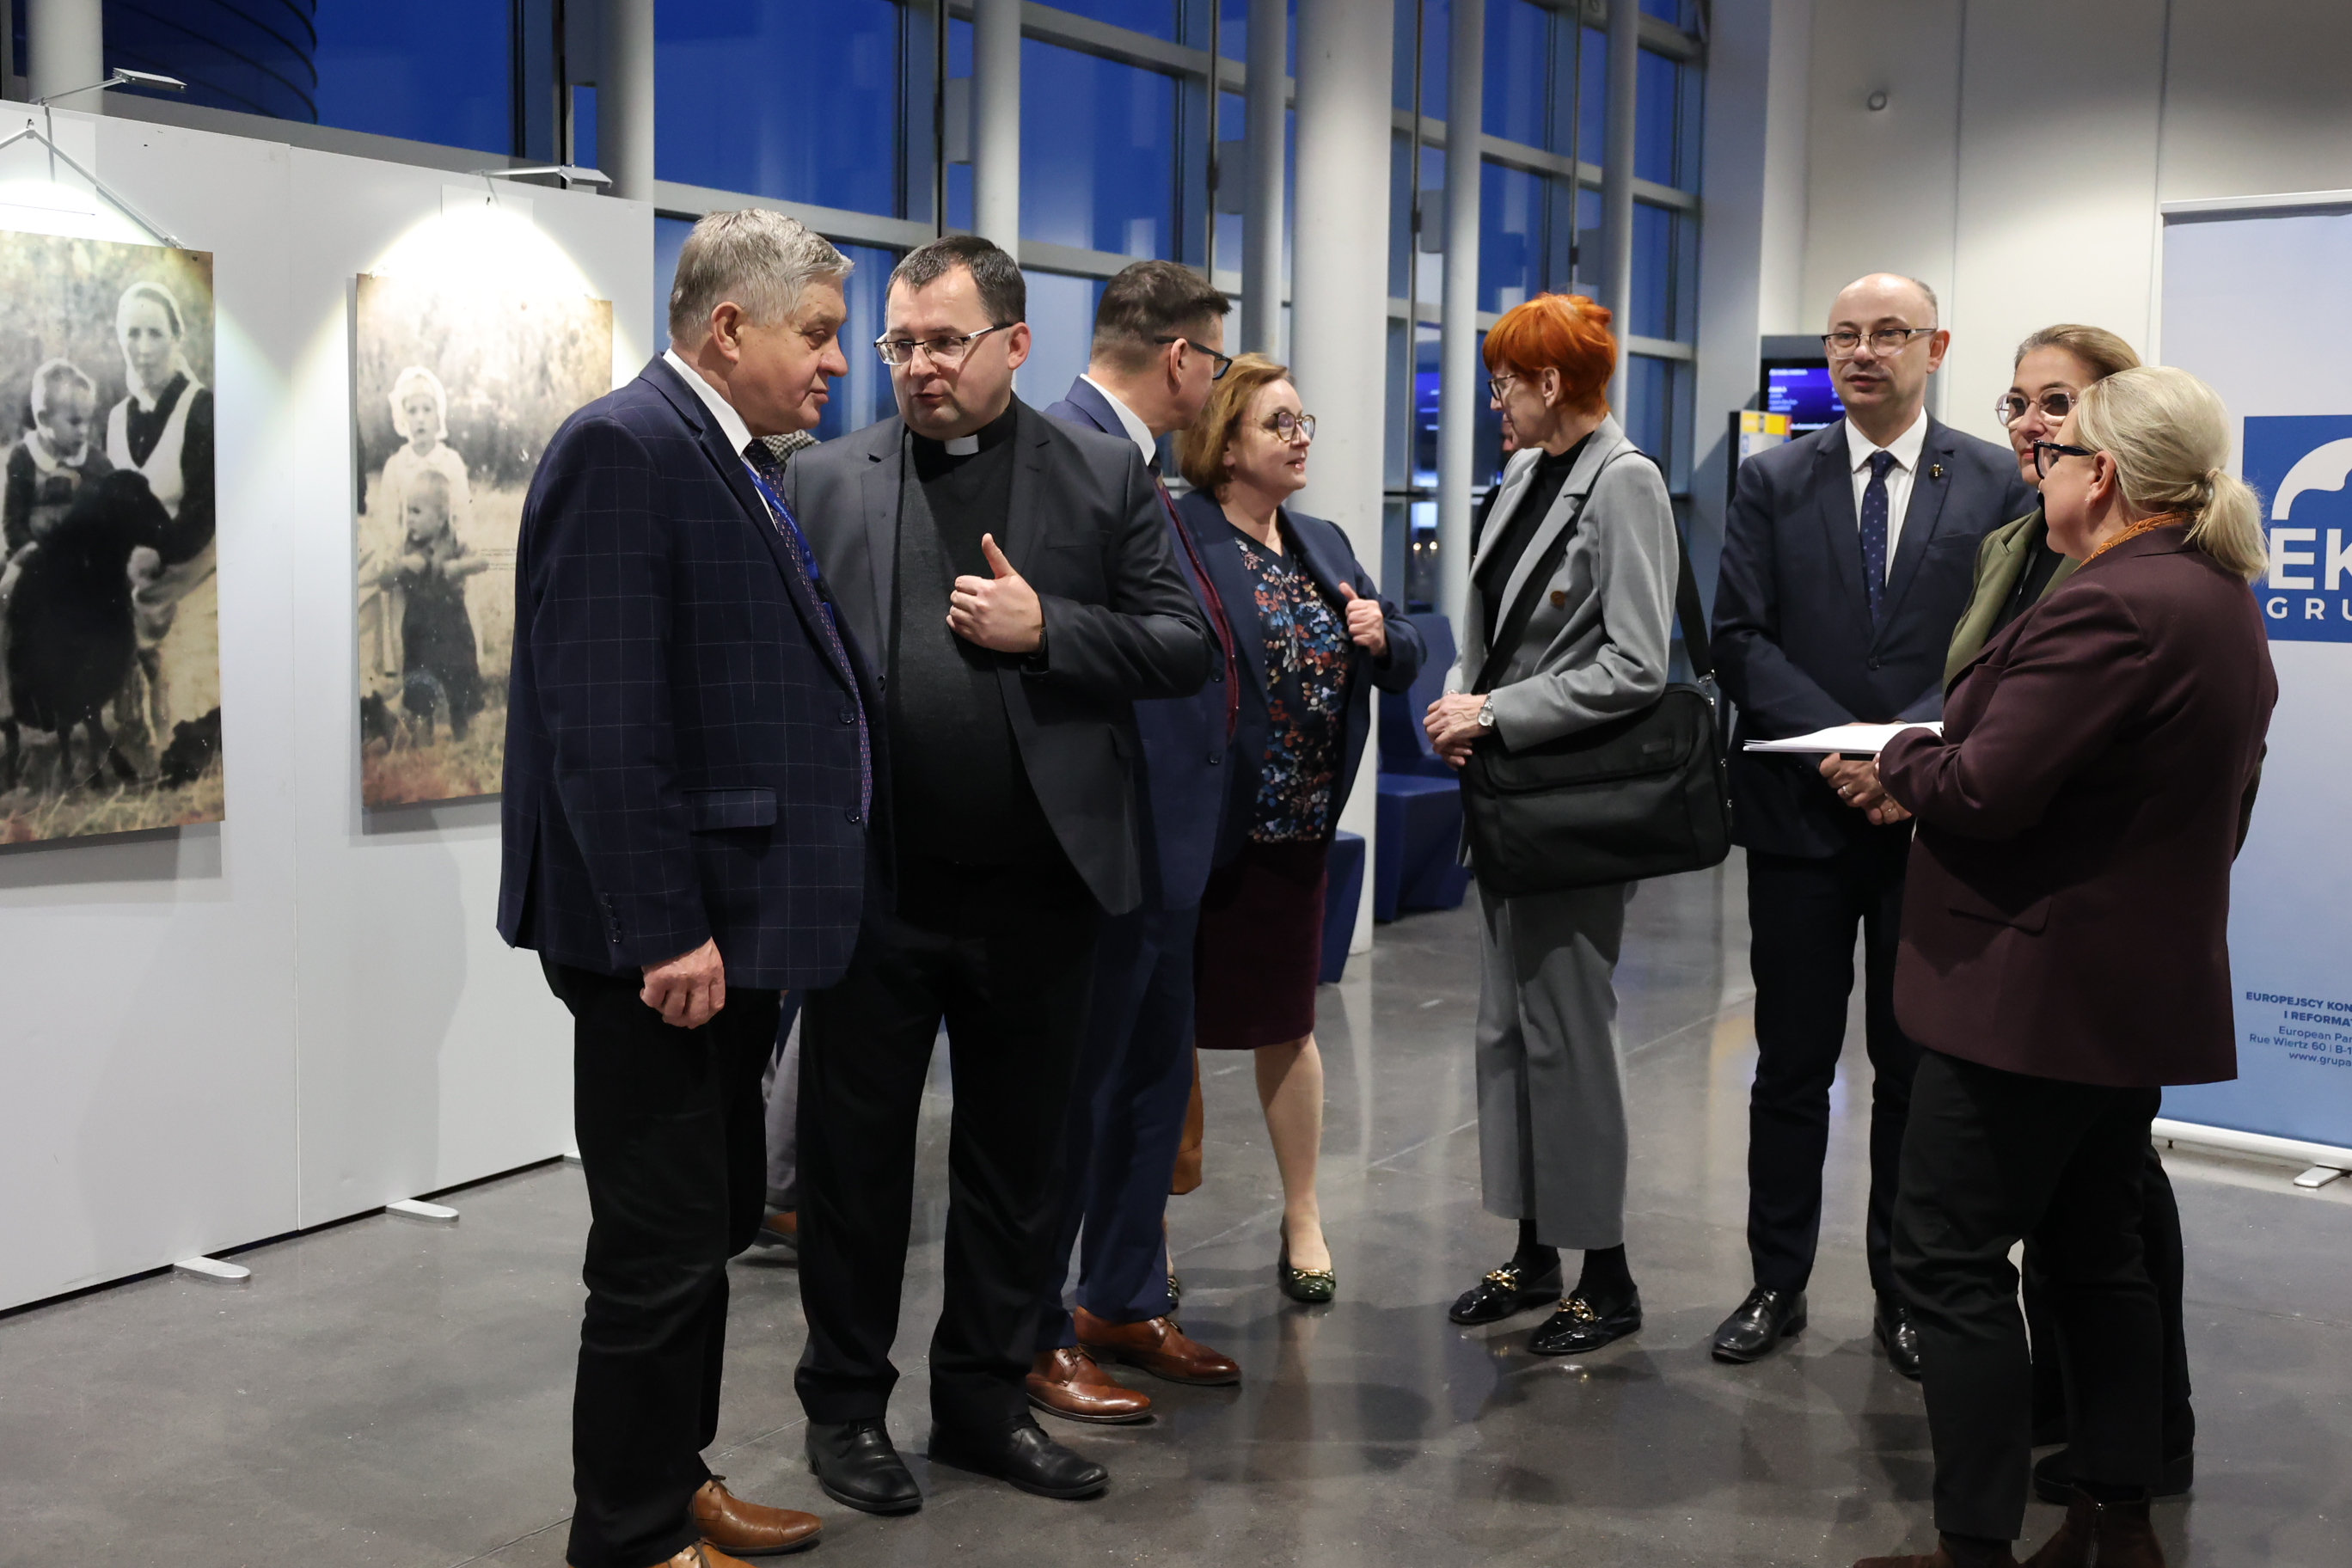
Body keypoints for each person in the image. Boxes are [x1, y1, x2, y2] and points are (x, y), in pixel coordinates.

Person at [782, 234, 1210, 1512]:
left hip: (1040, 891)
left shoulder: (1098, 474)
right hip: (876, 893)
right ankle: (845, 1412)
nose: (918, 366)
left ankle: (979, 1402)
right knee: (855, 1173)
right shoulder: (824, 476)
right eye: (899, 343)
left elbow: (1183, 643)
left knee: (1019, 1171)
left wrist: (1048, 631)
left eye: (945, 342)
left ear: (1015, 345)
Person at [498, 208, 870, 1568]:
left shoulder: (728, 457)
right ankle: (630, 1533)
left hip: (731, 928)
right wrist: (665, 929)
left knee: (704, 1225)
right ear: (729, 327)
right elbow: (603, 722)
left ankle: (675, 1476)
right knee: (656, 1250)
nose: (837, 362)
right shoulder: (627, 448)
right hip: (663, 944)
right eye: (816, 333)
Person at [1854, 365, 2275, 1568]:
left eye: (2058, 449)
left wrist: (1905, 753)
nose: (2036, 465)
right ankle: (2112, 1513)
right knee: (2098, 1250)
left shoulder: (2113, 605)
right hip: (2122, 994)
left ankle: (1974, 1542)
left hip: (2029, 997)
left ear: (2111, 475)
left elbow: (1985, 787)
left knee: (1949, 1260)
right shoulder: (2216, 596)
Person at [1709, 273, 2034, 1374]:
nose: (1861, 352)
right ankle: (1776, 1281)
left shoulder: (1995, 480)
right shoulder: (1772, 478)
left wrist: (1899, 757)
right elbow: (1739, 637)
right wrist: (1842, 750)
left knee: (1913, 1071)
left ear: (1934, 347)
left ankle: (1905, 1294)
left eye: (1888, 333)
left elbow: (2004, 645)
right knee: (1790, 1066)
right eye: (1843, 335)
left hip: (1929, 821)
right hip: (1798, 815)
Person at [1420, 293, 1679, 1357]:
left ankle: (1606, 1276)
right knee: (1510, 1033)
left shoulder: (1627, 482)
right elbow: (1491, 633)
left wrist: (1493, 712)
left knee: (1567, 1035)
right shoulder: (1526, 477)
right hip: (1506, 800)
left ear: (1552, 383)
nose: (1496, 402)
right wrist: (1463, 695)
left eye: (1505, 384)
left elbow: (1638, 664)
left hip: (1571, 806)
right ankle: (1535, 1251)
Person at [1028, 260, 1246, 1424]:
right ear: (1179, 358)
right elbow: (1050, 643)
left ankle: (1119, 1298)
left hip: (1172, 842)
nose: (1215, 381)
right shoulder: (1060, 455)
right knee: (1075, 1098)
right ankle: (1030, 1329)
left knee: (1152, 1084)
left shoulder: (1144, 465)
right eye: (1214, 359)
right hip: (1102, 843)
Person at [1174, 353, 1424, 1305]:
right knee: (1169, 1039)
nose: (1300, 437)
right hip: (1205, 835)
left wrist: (1382, 636)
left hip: (1299, 833)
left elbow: (1399, 646)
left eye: (1302, 420)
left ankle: (1304, 1215)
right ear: (1225, 444)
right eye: (1278, 424)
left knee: (1290, 1027)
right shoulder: (1182, 534)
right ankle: (1142, 1234)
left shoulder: (1320, 540)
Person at [106, 279, 217, 758]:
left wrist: (158, 554)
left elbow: (205, 511)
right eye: (132, 334)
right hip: (136, 580)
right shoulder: (116, 418)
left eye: (155, 333)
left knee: (182, 721)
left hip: (193, 573)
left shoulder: (201, 408)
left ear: (177, 338)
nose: (144, 348)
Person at [361, 366, 476, 703]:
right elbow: (389, 521)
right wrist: (398, 561)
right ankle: (411, 685)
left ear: (439, 414)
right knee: (409, 635)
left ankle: (457, 687)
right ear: (402, 417)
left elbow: (462, 515)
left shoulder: (451, 462)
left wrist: (460, 552)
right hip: (410, 570)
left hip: (444, 566)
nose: (420, 418)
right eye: (412, 411)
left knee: (452, 635)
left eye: (427, 409)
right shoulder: (396, 466)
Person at [379, 468, 487, 744]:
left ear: (440, 518)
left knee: (462, 678)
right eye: (407, 512)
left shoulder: (454, 541)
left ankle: (463, 730)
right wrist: (402, 565)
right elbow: (383, 580)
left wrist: (458, 566)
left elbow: (482, 561)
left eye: (416, 512)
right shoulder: (405, 547)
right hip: (419, 627)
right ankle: (422, 737)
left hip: (453, 624)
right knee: (418, 684)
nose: (409, 519)